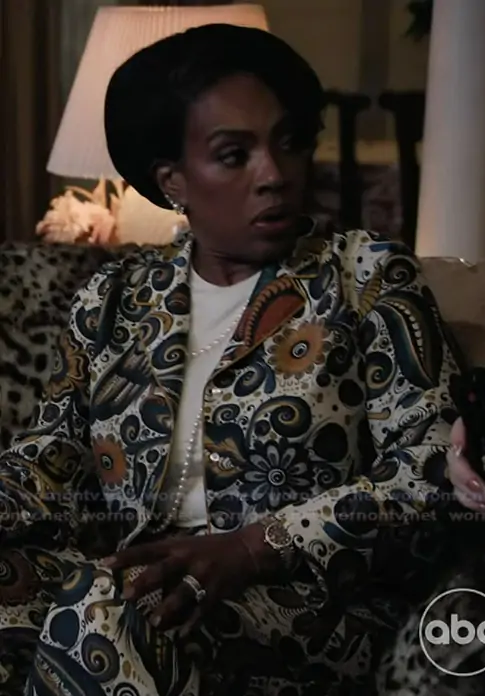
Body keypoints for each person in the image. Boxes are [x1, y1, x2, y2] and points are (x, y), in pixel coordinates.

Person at [0, 23, 462, 696]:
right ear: (173, 181)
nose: (274, 175)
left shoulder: (364, 278)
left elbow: (430, 470)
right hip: (128, 579)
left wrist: (254, 546)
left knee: (107, 612)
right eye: (233, 154)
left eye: (289, 143)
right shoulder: (115, 299)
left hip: (306, 605)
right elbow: (49, 455)